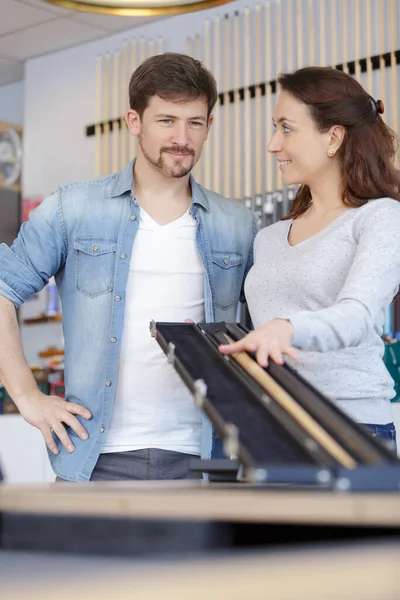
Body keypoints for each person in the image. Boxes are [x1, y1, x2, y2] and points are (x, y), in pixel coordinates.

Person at [0, 53, 257, 482]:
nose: (182, 137)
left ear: (210, 126)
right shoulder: (73, 208)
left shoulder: (238, 224)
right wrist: (27, 395)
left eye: (195, 122)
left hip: (206, 459)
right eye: (166, 121)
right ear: (133, 121)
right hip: (93, 458)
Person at [221, 66, 400, 450]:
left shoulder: (380, 218)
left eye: (286, 128)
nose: (273, 144)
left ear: (333, 136)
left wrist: (287, 327)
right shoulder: (267, 238)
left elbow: (358, 315)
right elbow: (256, 333)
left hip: (351, 428)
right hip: (270, 424)